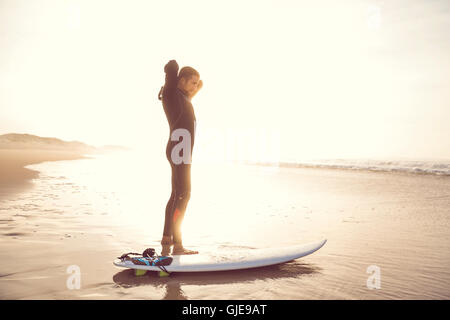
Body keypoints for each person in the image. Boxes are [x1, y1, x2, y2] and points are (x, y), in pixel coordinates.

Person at [158, 59, 203, 256]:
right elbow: (172, 66)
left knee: (177, 195)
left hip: (180, 149)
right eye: (192, 82)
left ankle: (167, 238)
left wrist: (195, 83)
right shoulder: (172, 95)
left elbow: (200, 86)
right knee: (184, 195)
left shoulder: (184, 99)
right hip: (180, 150)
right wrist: (174, 79)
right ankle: (178, 245)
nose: (196, 86)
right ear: (181, 81)